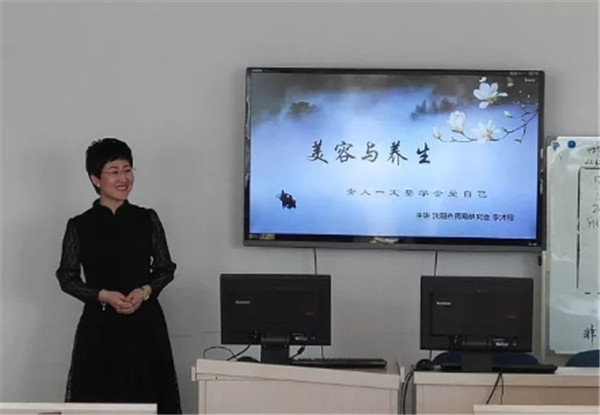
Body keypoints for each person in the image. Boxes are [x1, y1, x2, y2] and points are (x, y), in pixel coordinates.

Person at [56, 138, 181, 414]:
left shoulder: (147, 218)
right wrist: (102, 295)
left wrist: (145, 291)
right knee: (99, 400)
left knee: (149, 397)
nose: (123, 178)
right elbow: (67, 277)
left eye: (127, 169)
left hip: (145, 323)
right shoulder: (80, 225)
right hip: (99, 326)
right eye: (113, 171)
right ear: (95, 179)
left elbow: (165, 268)